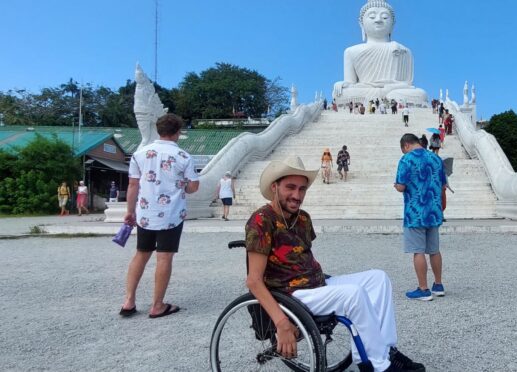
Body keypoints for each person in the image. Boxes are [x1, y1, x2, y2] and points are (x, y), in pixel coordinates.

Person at [244, 156, 425, 372]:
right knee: (353, 294)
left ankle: (385, 351)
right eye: (290, 187)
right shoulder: (261, 220)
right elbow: (254, 281)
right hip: (290, 294)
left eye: (302, 189)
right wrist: (282, 323)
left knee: (378, 279)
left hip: (316, 286)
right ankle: (376, 365)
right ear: (274, 187)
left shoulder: (302, 219)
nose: (297, 195)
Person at [120, 113, 200, 319]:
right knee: (164, 257)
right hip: (171, 215)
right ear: (177, 132)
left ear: (159, 130)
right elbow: (193, 187)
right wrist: (182, 184)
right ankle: (157, 305)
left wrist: (130, 211)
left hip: (146, 213)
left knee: (141, 253)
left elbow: (132, 184)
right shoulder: (183, 156)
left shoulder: (140, 154)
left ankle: (128, 301)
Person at [394, 134, 448, 302]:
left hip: (415, 212)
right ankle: (438, 285)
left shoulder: (406, 160)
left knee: (418, 251)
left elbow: (401, 187)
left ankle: (423, 289)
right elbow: (443, 184)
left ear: (406, 145)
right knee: (434, 250)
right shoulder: (436, 158)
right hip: (434, 211)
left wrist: (397, 186)